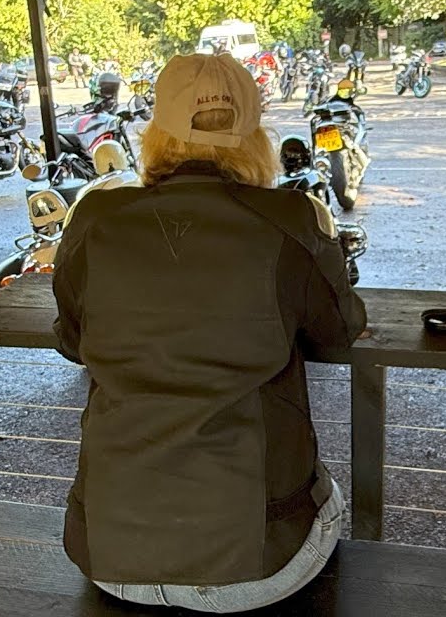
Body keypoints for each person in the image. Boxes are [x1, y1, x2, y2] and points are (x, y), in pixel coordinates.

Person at [53, 53, 366, 613]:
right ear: (255, 135)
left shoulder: (93, 219)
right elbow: (339, 335)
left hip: (108, 554)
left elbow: (74, 342)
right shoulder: (294, 218)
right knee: (329, 496)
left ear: (155, 134)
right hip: (258, 561)